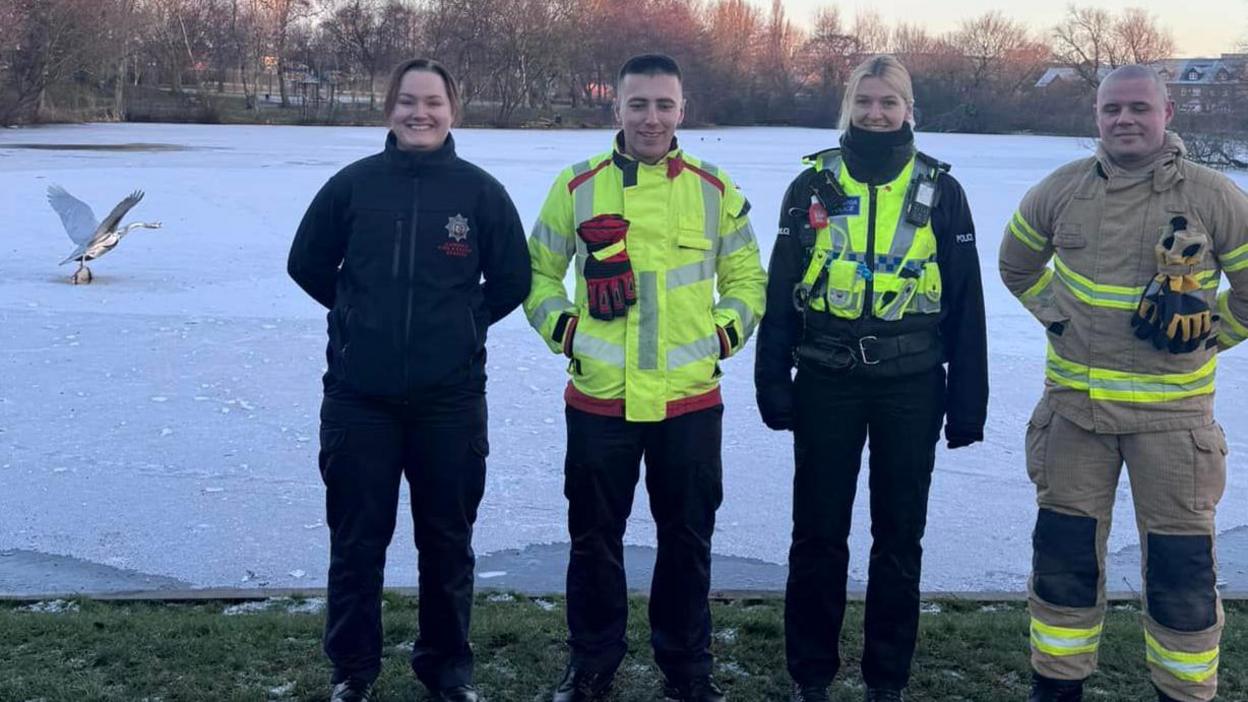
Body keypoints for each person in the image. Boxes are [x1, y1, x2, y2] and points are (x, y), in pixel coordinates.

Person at [999, 64, 1248, 702]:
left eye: (1139, 107)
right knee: (1063, 566)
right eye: (1112, 110)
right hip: (1074, 421)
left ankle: (1185, 693)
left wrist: (1210, 333)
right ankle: (1056, 690)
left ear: (1168, 114)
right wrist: (1058, 316)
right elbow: (1016, 263)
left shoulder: (1215, 197)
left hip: (1174, 429)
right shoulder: (1061, 191)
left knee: (1180, 574)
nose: (1125, 120)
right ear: (1097, 118)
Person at [523, 53, 767, 702]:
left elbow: (748, 282)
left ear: (682, 110)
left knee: (686, 543)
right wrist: (568, 334)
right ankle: (593, 666)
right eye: (638, 104)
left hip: (689, 401)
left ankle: (687, 671)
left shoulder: (716, 189)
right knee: (594, 543)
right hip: (600, 400)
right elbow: (537, 277)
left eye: (664, 105)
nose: (651, 118)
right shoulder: (576, 187)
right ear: (617, 109)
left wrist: (722, 336)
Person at [287, 57, 530, 702]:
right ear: (388, 109)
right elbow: (305, 263)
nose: (419, 113)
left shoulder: (479, 193)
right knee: (357, 544)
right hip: (359, 400)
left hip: (448, 401)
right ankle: (353, 672)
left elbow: (512, 279)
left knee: (447, 544)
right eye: (407, 102)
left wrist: (465, 322)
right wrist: (356, 312)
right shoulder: (353, 186)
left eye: (433, 103)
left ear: (454, 111)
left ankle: (447, 671)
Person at [754, 54, 988, 702]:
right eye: (865, 102)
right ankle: (811, 672)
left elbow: (966, 303)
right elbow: (780, 291)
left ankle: (887, 677)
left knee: (898, 538)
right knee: (818, 533)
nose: (876, 113)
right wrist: (772, 379)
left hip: (912, 385)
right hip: (827, 379)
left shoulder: (942, 189)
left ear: (909, 109)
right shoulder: (811, 187)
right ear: (848, 108)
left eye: (889, 102)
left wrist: (967, 406)